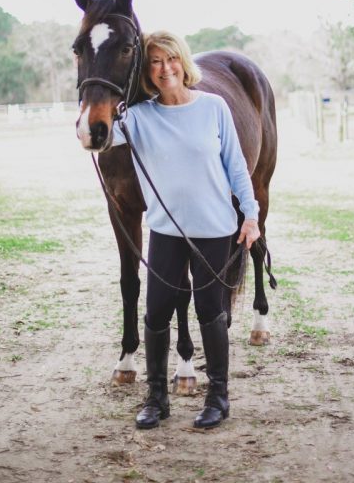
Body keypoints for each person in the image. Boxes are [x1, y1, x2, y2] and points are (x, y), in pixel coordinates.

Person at [112, 30, 260, 430]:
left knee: (211, 311)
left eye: (170, 59)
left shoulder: (214, 107)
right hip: (166, 232)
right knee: (156, 312)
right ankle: (156, 398)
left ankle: (218, 397)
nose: (164, 68)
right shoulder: (140, 117)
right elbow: (97, 134)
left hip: (214, 229)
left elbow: (236, 167)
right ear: (147, 71)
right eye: (155, 62)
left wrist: (250, 215)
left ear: (183, 61)